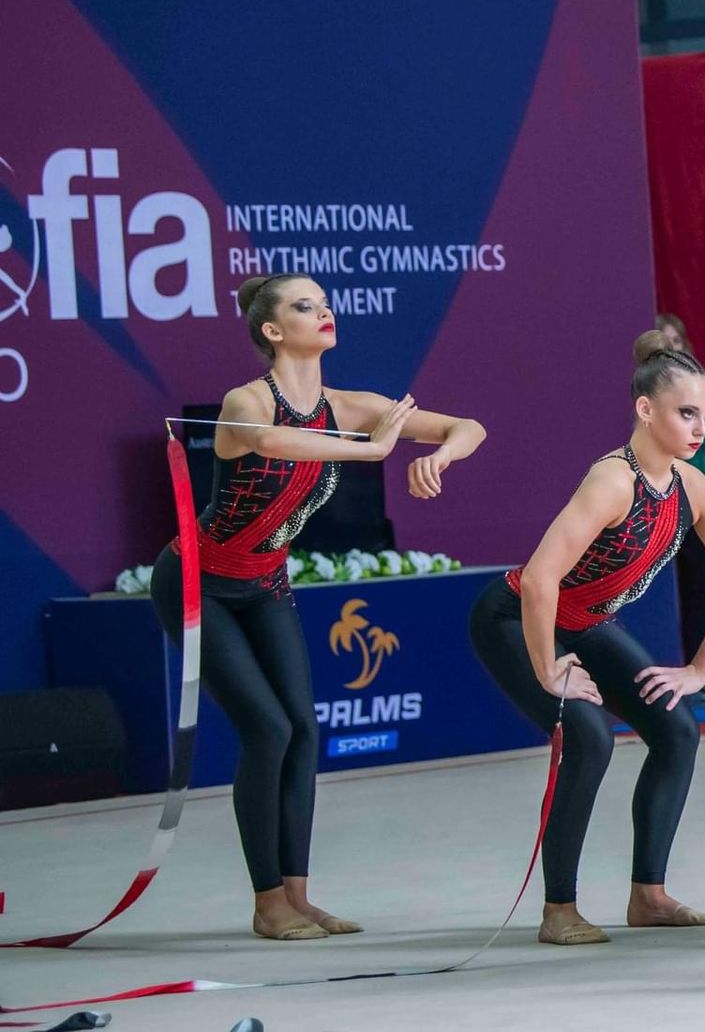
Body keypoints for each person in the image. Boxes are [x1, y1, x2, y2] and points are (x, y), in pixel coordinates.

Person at [149, 274, 486, 941]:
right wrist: (373, 449)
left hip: (267, 581)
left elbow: (467, 425)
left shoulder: (351, 405)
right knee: (267, 731)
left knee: (302, 730)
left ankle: (298, 898)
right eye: (306, 306)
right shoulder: (245, 401)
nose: (324, 311)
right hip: (198, 582)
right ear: (273, 331)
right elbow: (274, 443)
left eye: (325, 302)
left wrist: (440, 454)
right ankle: (266, 901)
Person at [468, 332, 705, 945]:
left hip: (588, 621)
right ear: (645, 410)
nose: (700, 426)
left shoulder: (692, 487)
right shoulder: (612, 482)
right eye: (686, 413)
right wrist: (548, 670)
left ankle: (648, 895)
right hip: (516, 618)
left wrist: (700, 671)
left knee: (677, 728)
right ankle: (559, 909)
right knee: (589, 736)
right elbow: (542, 580)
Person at [655, 312, 705, 704]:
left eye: (676, 341)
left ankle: (701, 676)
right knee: (660, 589)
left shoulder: (702, 385)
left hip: (698, 502)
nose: (671, 349)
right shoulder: (646, 393)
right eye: (662, 343)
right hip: (655, 499)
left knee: (702, 587)